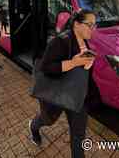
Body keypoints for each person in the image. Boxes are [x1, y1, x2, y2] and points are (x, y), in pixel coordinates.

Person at [29, 9, 100, 158]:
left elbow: (84, 70)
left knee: (78, 135)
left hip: (77, 96)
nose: (93, 29)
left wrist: (87, 64)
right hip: (56, 94)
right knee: (47, 120)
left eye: (95, 25)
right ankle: (33, 126)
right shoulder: (60, 41)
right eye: (90, 25)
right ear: (76, 24)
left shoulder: (85, 42)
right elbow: (46, 68)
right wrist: (74, 62)